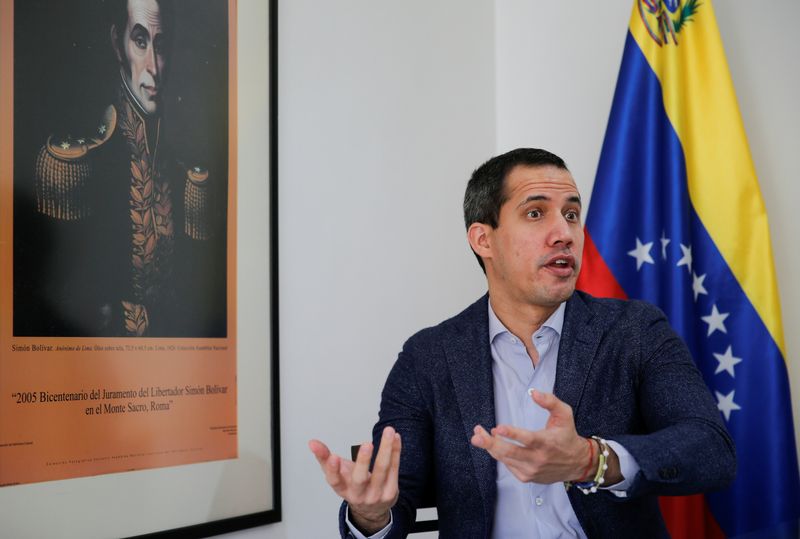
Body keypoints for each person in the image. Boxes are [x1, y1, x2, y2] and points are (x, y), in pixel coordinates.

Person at [309, 148, 736, 538]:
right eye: (536, 214)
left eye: (571, 214)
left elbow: (711, 449)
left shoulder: (636, 331)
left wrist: (592, 460)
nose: (564, 233)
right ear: (483, 239)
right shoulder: (427, 358)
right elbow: (395, 494)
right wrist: (370, 515)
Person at [16, 0, 225, 337]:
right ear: (117, 44)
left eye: (161, 45)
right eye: (140, 42)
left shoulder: (186, 176)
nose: (153, 67)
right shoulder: (76, 166)